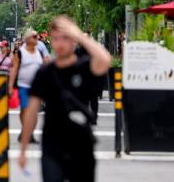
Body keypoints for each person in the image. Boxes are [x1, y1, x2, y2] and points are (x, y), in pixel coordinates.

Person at [18, 16, 111, 182]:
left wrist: (80, 35)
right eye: (55, 39)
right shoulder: (45, 73)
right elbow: (32, 111)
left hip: (81, 143)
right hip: (52, 144)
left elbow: (105, 60)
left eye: (65, 38)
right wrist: (23, 149)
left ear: (73, 40)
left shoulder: (84, 66)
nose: (60, 43)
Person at [10, 29, 49, 143]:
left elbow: (43, 68)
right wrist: (10, 86)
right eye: (34, 36)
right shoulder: (20, 52)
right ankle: (26, 131)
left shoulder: (39, 52)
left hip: (36, 87)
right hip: (23, 86)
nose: (37, 38)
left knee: (34, 111)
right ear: (27, 39)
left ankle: (28, 132)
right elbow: (14, 69)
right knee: (25, 109)